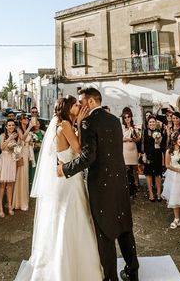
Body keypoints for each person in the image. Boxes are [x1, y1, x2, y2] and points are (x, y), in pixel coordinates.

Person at [15, 95, 104, 281]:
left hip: (71, 177)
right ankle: (64, 268)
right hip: (68, 180)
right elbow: (79, 150)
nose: (79, 106)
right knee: (71, 218)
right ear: (67, 108)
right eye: (76, 104)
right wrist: (80, 123)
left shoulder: (65, 124)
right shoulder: (64, 125)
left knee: (73, 217)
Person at [58, 87, 139, 281]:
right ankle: (132, 271)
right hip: (120, 181)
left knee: (105, 231)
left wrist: (65, 170)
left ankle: (111, 277)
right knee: (124, 226)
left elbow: (88, 157)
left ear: (91, 102)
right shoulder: (114, 119)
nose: (79, 105)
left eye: (81, 102)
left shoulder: (87, 122)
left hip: (101, 184)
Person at [0, 119, 19, 217]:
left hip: (12, 160)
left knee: (10, 184)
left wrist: (17, 149)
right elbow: (2, 147)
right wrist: (9, 138)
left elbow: (19, 148)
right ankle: (0, 206)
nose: (11, 126)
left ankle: (9, 205)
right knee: (2, 184)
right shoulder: (2, 136)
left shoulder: (17, 137)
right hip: (4, 159)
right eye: (9, 125)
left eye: (13, 125)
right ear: (6, 127)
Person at [13, 114, 36, 211]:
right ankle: (19, 201)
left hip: (26, 153)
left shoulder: (28, 130)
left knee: (25, 175)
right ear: (21, 120)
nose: (26, 120)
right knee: (20, 175)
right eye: (24, 118)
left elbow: (28, 142)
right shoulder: (18, 129)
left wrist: (31, 142)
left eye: (27, 118)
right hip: (20, 153)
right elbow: (22, 138)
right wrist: (30, 126)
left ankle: (24, 199)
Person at [141, 116, 166, 202]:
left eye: (153, 121)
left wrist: (158, 140)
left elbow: (163, 145)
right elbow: (142, 143)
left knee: (158, 174)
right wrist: (143, 154)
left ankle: (159, 193)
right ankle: (151, 193)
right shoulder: (145, 132)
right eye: (150, 122)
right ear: (148, 124)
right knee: (148, 174)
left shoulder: (159, 131)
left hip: (157, 155)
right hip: (148, 155)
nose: (152, 123)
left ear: (156, 123)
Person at [120, 107, 140, 199]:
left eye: (129, 117)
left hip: (133, 149)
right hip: (125, 150)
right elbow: (119, 138)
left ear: (131, 117)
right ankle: (129, 187)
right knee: (127, 168)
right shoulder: (122, 127)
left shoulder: (134, 126)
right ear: (123, 118)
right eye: (125, 117)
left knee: (135, 168)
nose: (127, 118)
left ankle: (136, 185)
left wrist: (134, 133)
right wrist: (127, 139)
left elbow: (138, 138)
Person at [28, 111, 44, 190]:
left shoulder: (43, 132)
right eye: (35, 124)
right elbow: (29, 145)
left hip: (41, 155)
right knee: (33, 170)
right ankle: (32, 187)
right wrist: (35, 145)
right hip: (34, 154)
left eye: (38, 124)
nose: (37, 125)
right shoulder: (30, 133)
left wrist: (41, 145)